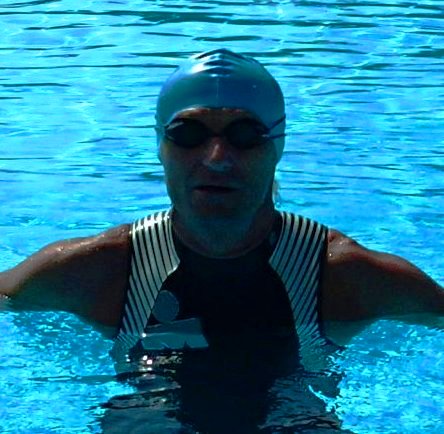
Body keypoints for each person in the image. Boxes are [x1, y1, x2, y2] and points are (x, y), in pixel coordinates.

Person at [0, 48, 443, 369]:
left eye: (244, 135)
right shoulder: (96, 271)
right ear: (161, 147)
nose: (216, 159)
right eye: (188, 134)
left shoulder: (344, 277)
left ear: (276, 148)